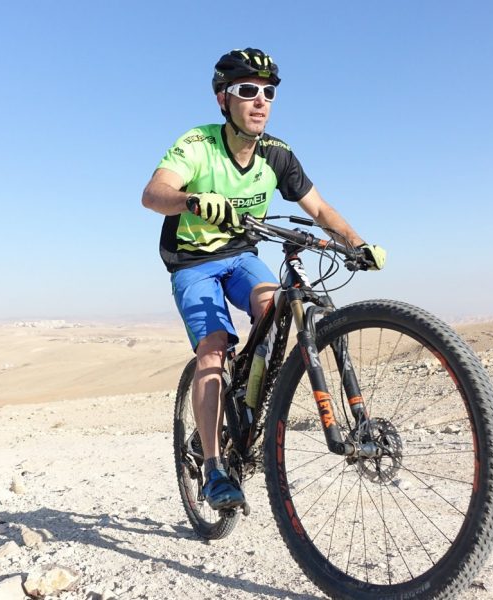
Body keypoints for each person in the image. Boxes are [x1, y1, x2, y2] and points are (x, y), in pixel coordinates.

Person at [142, 48, 386, 511]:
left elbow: (319, 208)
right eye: (247, 90)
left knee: (274, 303)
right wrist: (192, 200)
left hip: (240, 257)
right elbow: (154, 193)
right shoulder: (198, 144)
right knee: (214, 347)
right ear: (223, 99)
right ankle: (214, 467)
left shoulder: (277, 154)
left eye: (268, 92)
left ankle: (248, 391)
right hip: (192, 262)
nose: (260, 100)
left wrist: (357, 243)